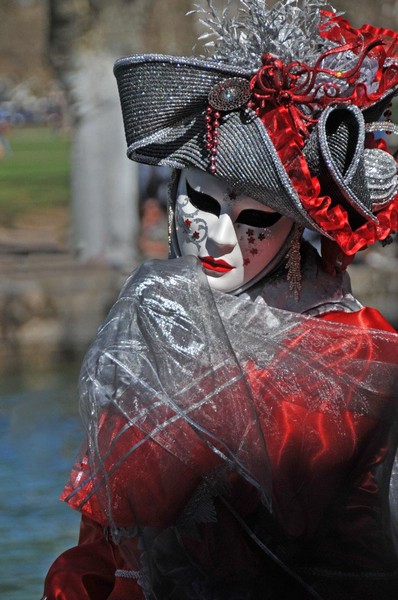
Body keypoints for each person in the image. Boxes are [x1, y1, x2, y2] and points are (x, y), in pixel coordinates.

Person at [43, 1, 398, 598]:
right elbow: (106, 549)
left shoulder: (364, 358)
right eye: (202, 203)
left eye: (256, 216)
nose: (219, 234)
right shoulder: (151, 329)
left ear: (299, 228)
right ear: (175, 188)